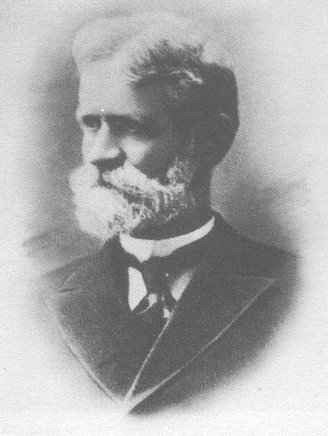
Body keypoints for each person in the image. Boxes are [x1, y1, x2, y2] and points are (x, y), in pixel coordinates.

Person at [43, 11, 292, 413]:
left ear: (210, 140)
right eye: (91, 124)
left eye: (131, 126)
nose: (97, 154)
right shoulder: (38, 299)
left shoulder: (297, 291)